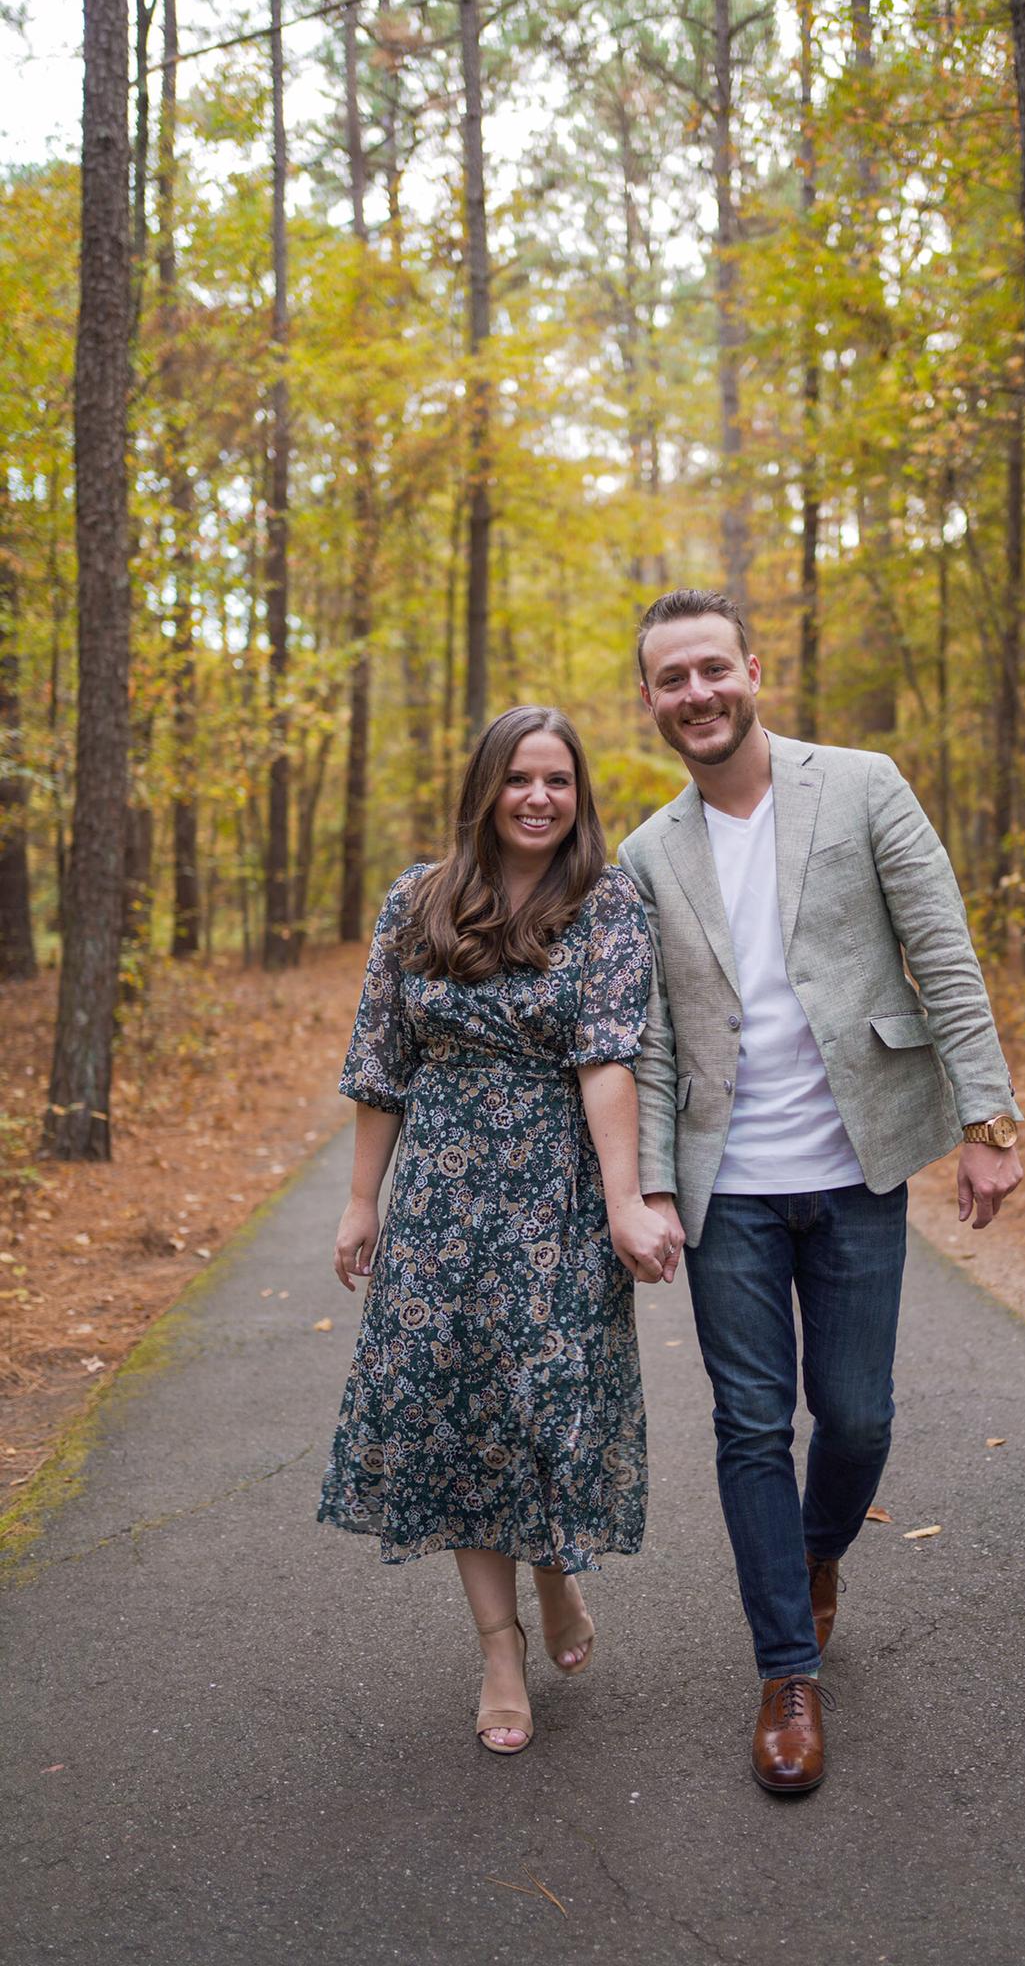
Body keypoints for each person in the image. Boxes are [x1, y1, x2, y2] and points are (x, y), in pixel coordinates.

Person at [618, 589, 1023, 1796]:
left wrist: (986, 1120)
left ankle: (811, 1553)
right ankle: (784, 1672)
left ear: (752, 669)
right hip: (725, 1193)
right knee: (749, 1426)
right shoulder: (644, 853)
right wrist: (646, 1185)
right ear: (649, 702)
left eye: (710, 669)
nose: (694, 694)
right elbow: (645, 1041)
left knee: (855, 1420)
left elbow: (939, 950)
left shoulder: (859, 785)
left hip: (855, 1167)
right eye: (668, 680)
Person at [320, 705, 676, 1756]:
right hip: (439, 1199)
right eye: (519, 776)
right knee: (457, 1421)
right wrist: (360, 1199)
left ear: (579, 795)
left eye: (557, 780)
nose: (537, 796)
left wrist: (624, 1204)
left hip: (556, 1193)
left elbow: (607, 1057)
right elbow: (381, 1059)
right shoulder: (415, 901)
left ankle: (558, 1576)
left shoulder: (607, 902)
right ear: (486, 786)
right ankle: (498, 1646)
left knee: (545, 1406)